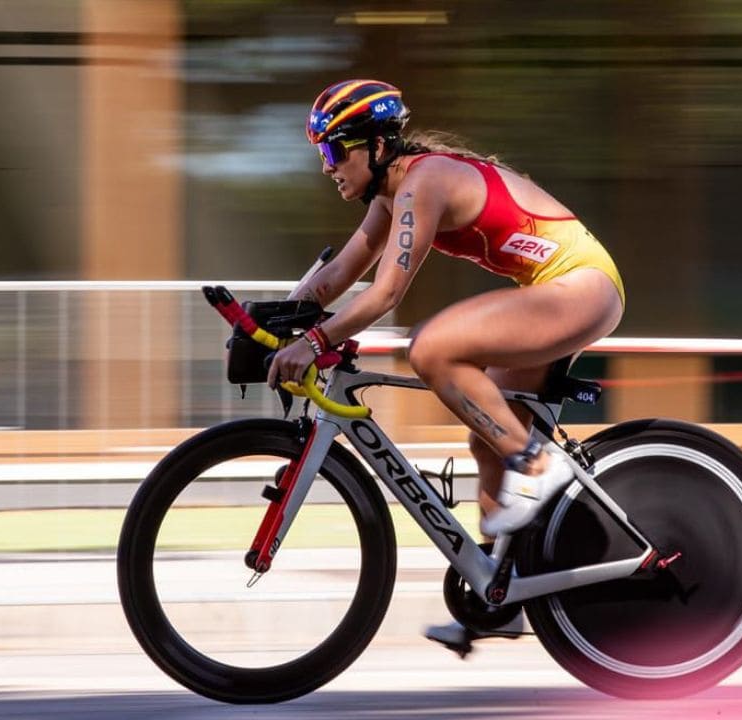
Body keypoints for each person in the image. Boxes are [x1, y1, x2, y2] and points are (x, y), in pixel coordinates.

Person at [268, 79, 625, 654]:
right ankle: (501, 596)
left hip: (580, 287)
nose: (327, 166)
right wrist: (269, 322)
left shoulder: (424, 182)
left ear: (375, 145)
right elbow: (340, 275)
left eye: (333, 151)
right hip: (559, 289)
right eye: (321, 154)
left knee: (431, 348)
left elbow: (384, 294)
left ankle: (537, 466)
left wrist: (312, 342)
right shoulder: (392, 196)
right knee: (488, 435)